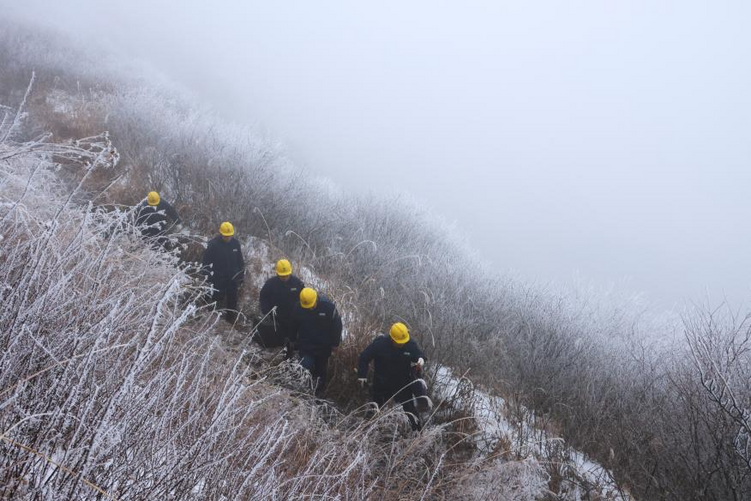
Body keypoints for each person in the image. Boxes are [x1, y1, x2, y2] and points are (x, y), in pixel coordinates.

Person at [357, 322, 428, 430]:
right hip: (381, 382)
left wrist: (421, 359)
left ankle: (418, 433)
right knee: (375, 407)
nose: (402, 344)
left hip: (402, 383)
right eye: (399, 343)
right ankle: (364, 430)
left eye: (404, 342)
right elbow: (364, 357)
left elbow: (419, 354)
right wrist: (362, 375)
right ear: (392, 338)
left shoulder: (410, 344)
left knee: (410, 409)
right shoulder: (379, 344)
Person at [290, 287, 342, 396]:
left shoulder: (328, 307)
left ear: (316, 299)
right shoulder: (298, 308)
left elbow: (337, 326)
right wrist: (292, 339)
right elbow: (293, 325)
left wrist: (335, 344)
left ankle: (319, 391)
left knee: (321, 369)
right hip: (306, 344)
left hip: (324, 346)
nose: (309, 308)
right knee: (305, 365)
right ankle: (303, 389)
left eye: (311, 305)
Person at [202, 221, 245, 323]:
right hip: (217, 279)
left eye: (230, 236)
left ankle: (230, 322)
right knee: (216, 301)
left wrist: (240, 276)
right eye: (225, 236)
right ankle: (213, 322)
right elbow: (205, 263)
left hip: (232, 279)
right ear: (221, 233)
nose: (228, 238)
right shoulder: (213, 245)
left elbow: (240, 261)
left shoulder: (235, 244)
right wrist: (209, 278)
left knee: (232, 302)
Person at [257, 259, 305, 349]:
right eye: (282, 276)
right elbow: (263, 296)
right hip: (276, 317)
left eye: (286, 275)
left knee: (292, 337)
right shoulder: (270, 284)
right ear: (277, 273)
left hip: (292, 317)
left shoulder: (297, 283)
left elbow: (303, 298)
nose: (284, 278)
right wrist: (266, 310)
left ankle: (290, 350)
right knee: (278, 337)